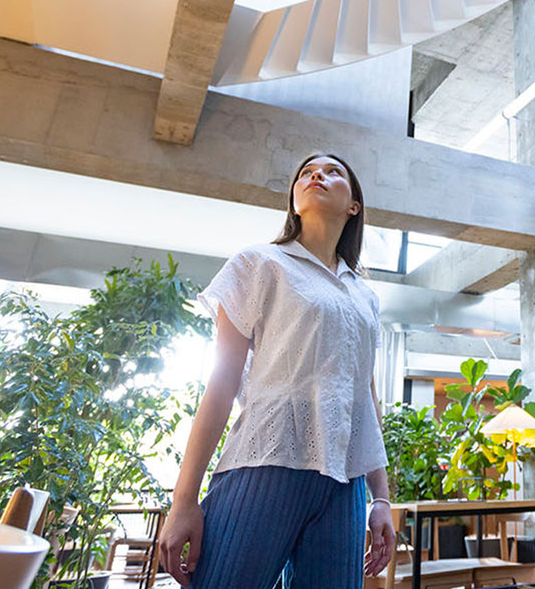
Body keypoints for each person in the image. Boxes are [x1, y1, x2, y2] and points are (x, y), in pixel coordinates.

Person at [158, 153, 395, 589]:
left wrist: (380, 498)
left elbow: (365, 398)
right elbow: (221, 383)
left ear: (354, 206)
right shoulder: (260, 264)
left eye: (331, 172)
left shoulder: (365, 296)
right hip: (265, 464)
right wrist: (183, 500)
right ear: (294, 201)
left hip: (344, 485)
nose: (315, 175)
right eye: (306, 173)